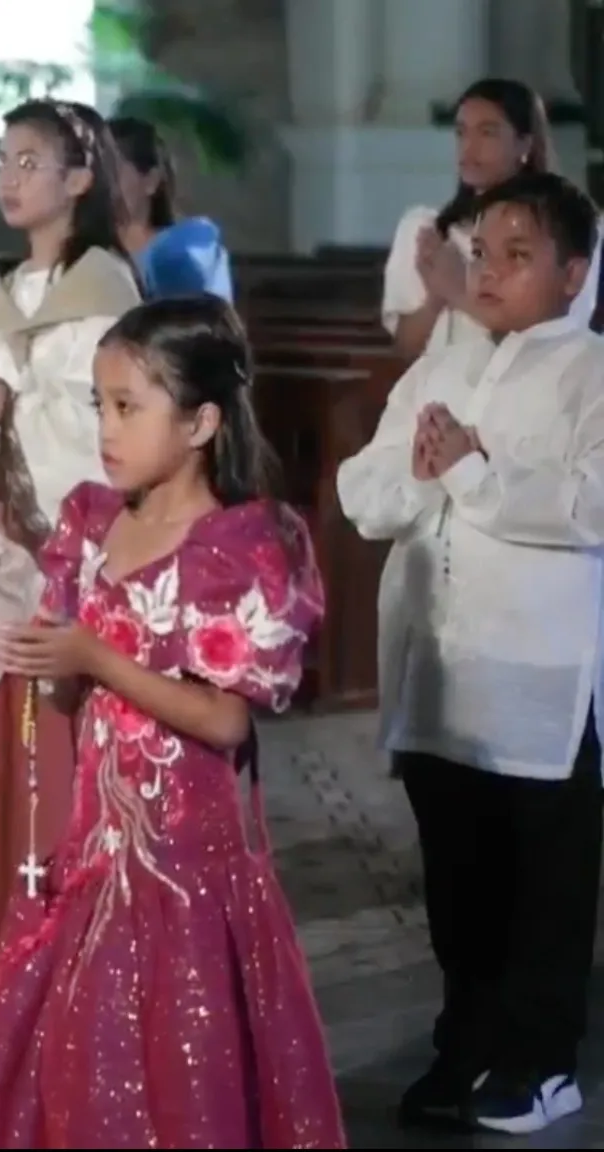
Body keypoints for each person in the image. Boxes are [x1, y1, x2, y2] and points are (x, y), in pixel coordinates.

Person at [0, 295, 344, 1148]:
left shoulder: (243, 546)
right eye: (101, 405)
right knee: (81, 1060)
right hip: (98, 852)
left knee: (182, 1071)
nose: (107, 429)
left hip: (188, 873)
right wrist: (48, 663)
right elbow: (69, 695)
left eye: (129, 407)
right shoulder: (91, 524)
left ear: (202, 422)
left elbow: (226, 721)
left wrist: (94, 658)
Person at [338, 170, 604, 1136]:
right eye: (482, 251)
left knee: (545, 880)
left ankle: (541, 1059)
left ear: (575, 275)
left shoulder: (592, 374)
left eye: (518, 254)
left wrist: (472, 470)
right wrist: (418, 473)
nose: (488, 270)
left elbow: (589, 507)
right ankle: (468, 1042)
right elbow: (363, 493)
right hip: (438, 670)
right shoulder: (442, 365)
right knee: (458, 878)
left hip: (538, 682)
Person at [0, 99, 140, 1010]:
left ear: (80, 179)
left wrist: (0, 409)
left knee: (53, 740)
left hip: (66, 549)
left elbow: (104, 431)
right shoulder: (6, 291)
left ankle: (60, 941)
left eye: (30, 161)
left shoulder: (108, 296)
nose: (11, 179)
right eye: (1, 163)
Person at [382, 77, 601, 359]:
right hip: (439, 395)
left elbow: (560, 338)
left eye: (488, 133)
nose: (469, 147)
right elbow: (406, 351)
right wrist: (435, 298)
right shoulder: (426, 229)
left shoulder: (573, 225)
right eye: (461, 133)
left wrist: (458, 289)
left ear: (525, 144)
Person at [108, 117, 234, 301]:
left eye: (113, 173)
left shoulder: (190, 253)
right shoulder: (80, 251)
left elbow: (216, 322)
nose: (100, 185)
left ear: (151, 181)